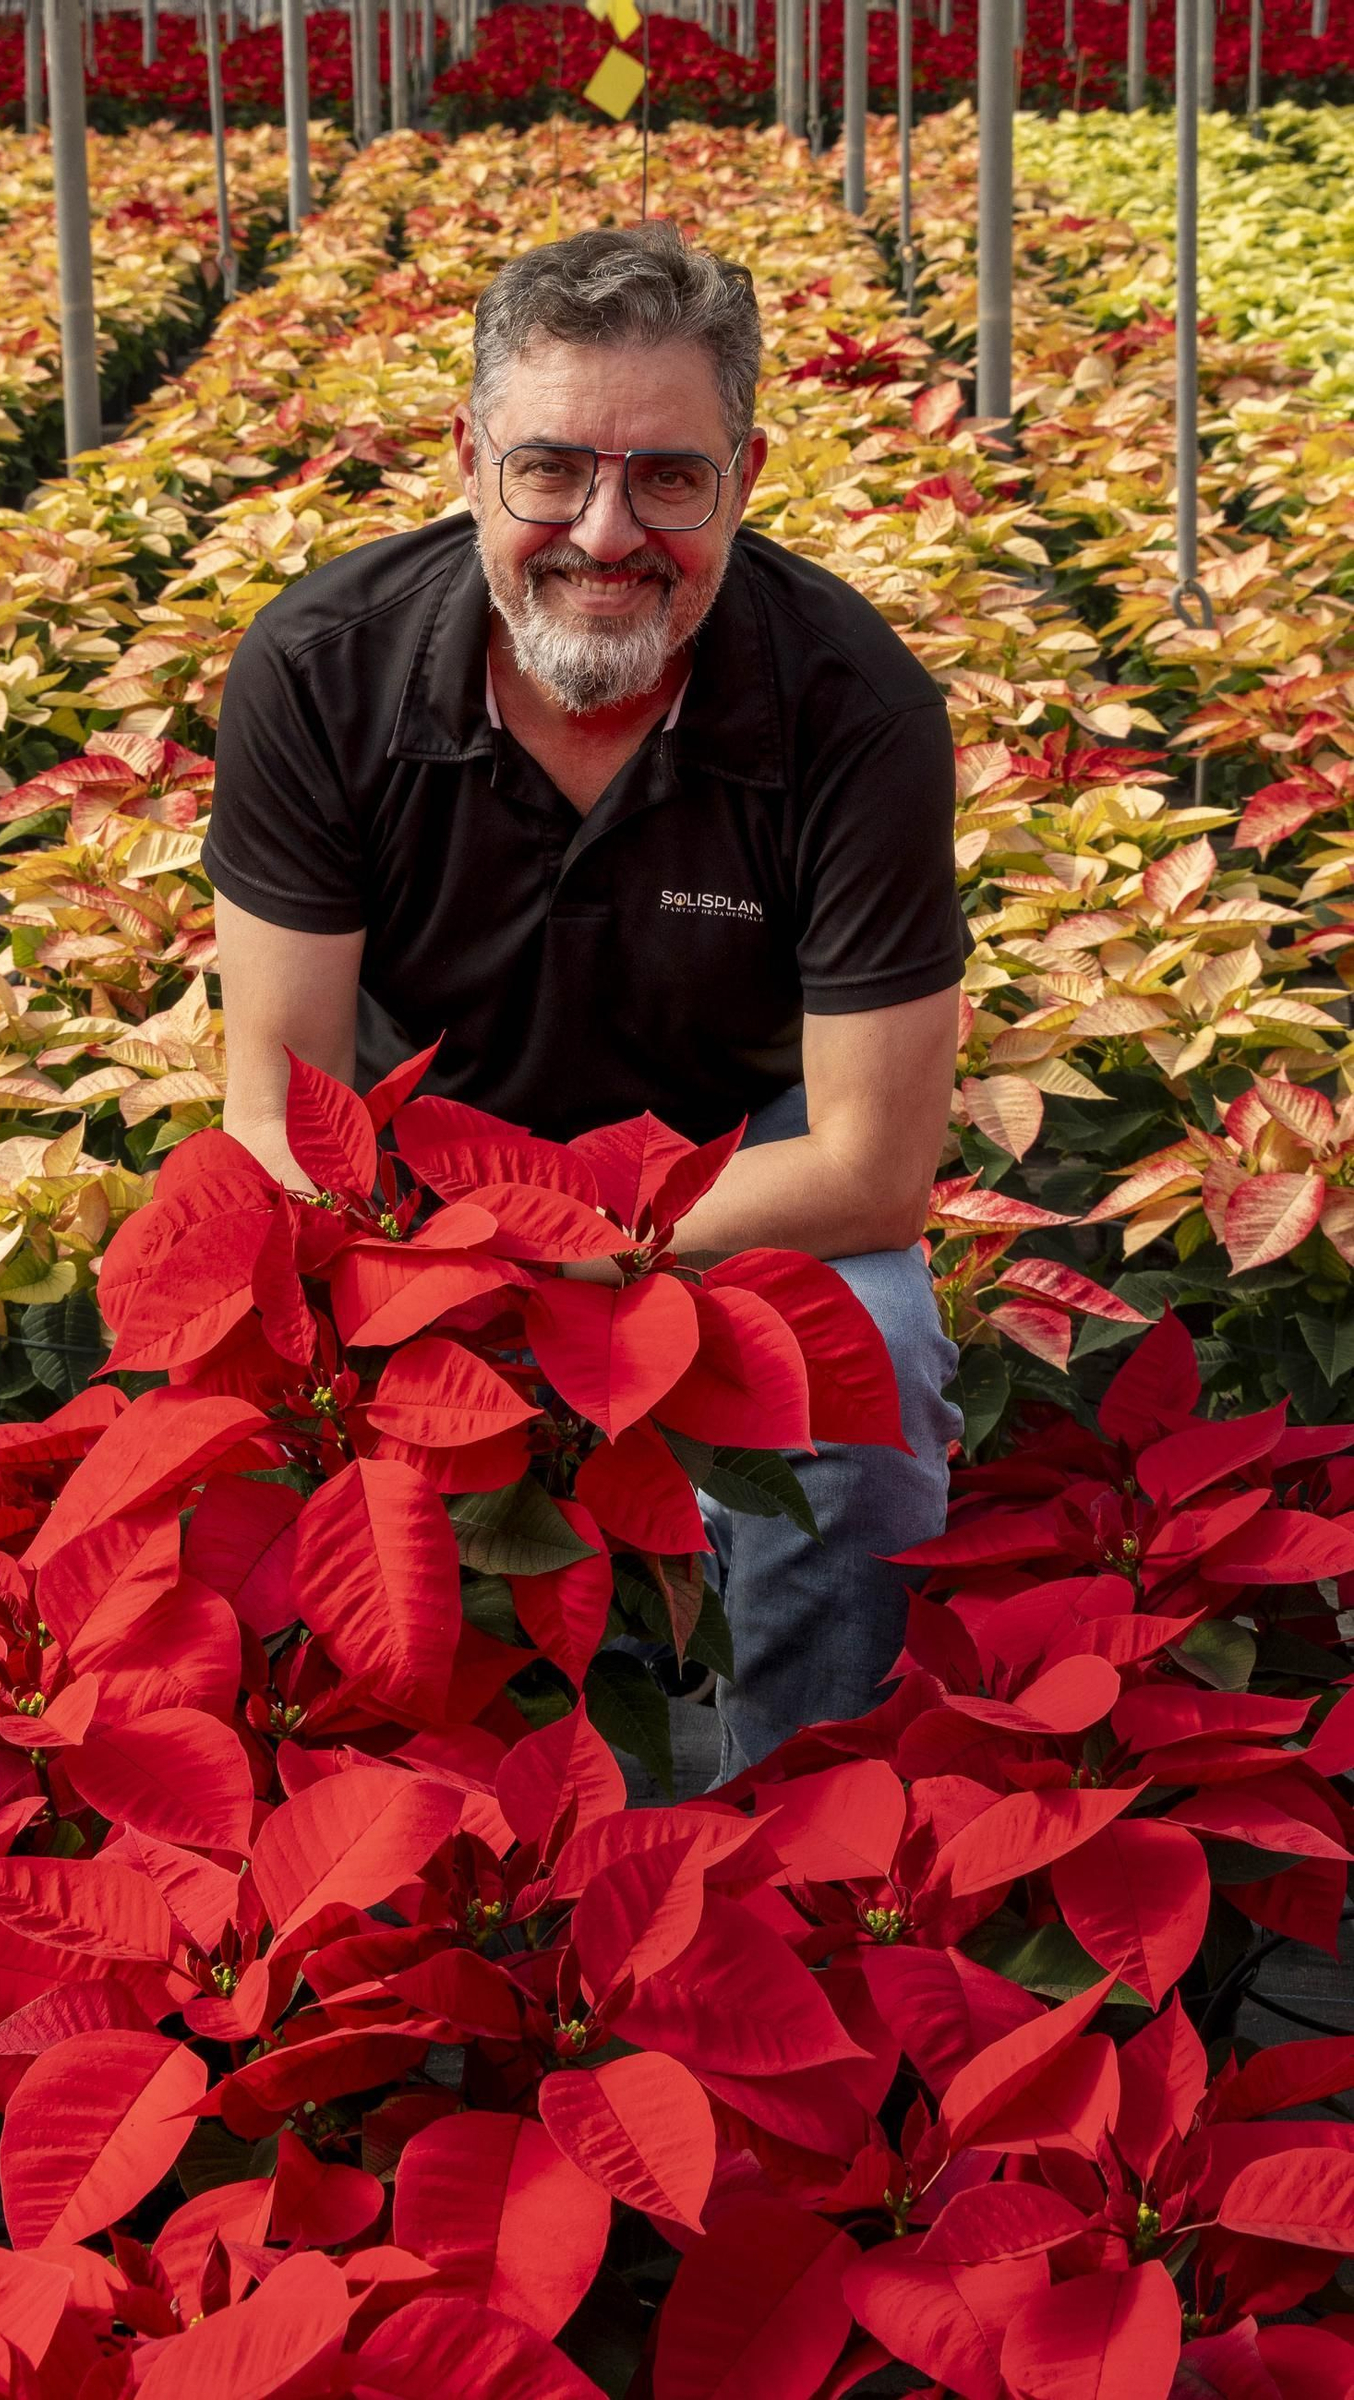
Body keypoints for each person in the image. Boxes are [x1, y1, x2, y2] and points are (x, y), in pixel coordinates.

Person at [204, 220, 965, 1781]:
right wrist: (451, 1261)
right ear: (468, 455)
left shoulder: (854, 706)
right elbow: (274, 1107)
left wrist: (558, 1253)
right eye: (551, 468)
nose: (606, 533)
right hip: (416, 1169)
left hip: (734, 1164)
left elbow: (873, 1171)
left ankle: (806, 1840)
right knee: (253, 1405)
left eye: (668, 479)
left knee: (872, 1353)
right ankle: (413, 1857)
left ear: (743, 475)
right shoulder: (319, 669)